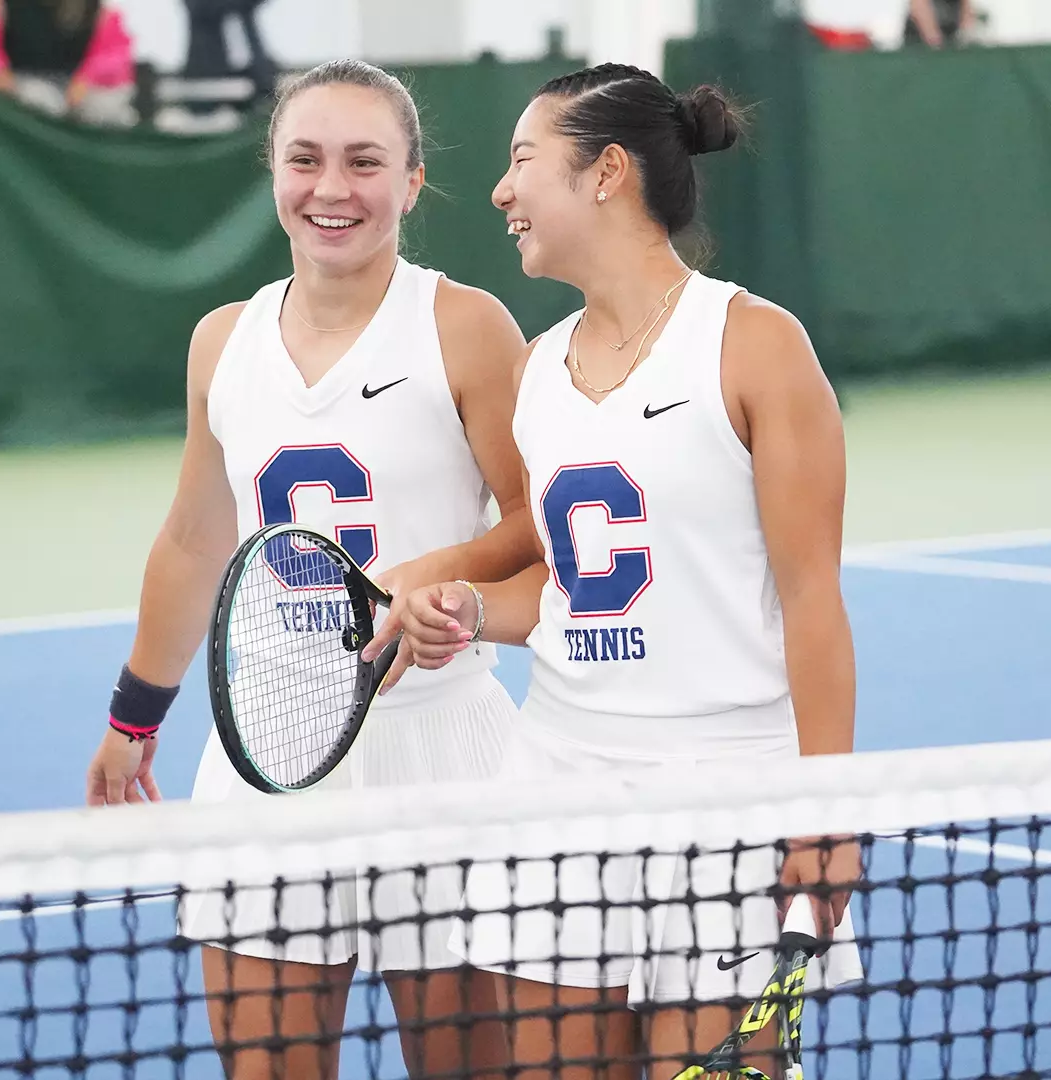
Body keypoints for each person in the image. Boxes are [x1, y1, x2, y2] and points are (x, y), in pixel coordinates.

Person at [374, 64, 865, 1077]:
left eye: (521, 162)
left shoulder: (757, 348)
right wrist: (467, 608)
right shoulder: (537, 373)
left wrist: (827, 817)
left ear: (605, 173)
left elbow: (815, 599)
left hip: (730, 795)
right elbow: (569, 583)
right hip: (556, 782)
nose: (502, 193)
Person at [82, 58, 534, 1080]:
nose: (333, 189)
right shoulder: (222, 343)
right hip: (265, 767)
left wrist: (451, 595)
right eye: (307, 159)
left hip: (448, 756)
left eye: (365, 162)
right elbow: (195, 541)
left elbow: (537, 533)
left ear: (412, 182)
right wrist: (131, 720)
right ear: (272, 170)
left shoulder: (465, 327)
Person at [0, 0, 136, 127]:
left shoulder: (99, 10)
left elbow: (115, 54)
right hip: (24, 83)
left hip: (79, 88)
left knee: (108, 109)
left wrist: (86, 79)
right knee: (39, 101)